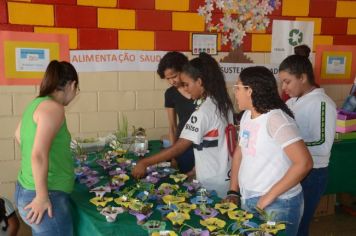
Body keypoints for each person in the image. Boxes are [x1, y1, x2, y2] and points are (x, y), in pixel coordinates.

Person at [132, 52, 234, 197]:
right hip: (224, 176)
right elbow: (213, 144)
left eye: (187, 84)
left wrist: (144, 163)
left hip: (212, 182)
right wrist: (195, 169)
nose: (185, 89)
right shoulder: (223, 103)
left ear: (199, 82)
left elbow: (180, 147)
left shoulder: (203, 112)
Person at [227, 66, 313, 236]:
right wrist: (233, 190)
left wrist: (267, 198)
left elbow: (304, 163)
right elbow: (239, 153)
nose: (235, 93)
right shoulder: (246, 116)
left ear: (249, 90)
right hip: (251, 199)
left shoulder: (275, 118)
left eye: (237, 88)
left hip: (278, 203)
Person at [14, 60, 79, 236]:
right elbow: (38, 155)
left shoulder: (37, 103)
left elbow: (19, 136)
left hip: (25, 188)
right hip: (46, 194)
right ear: (72, 85)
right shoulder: (54, 108)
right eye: (76, 90)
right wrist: (42, 197)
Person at [279, 55, 337, 236]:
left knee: (299, 225)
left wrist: (287, 147)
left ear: (302, 78)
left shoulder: (322, 103)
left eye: (287, 82)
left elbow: (322, 144)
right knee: (289, 224)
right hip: (294, 170)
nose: (284, 88)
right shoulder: (291, 101)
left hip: (312, 174)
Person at [157, 51, 196, 174]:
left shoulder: (199, 90)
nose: (171, 81)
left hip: (203, 146)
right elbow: (173, 126)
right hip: (183, 146)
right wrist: (173, 155)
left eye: (174, 76)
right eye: (168, 79)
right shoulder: (170, 94)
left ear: (184, 70)